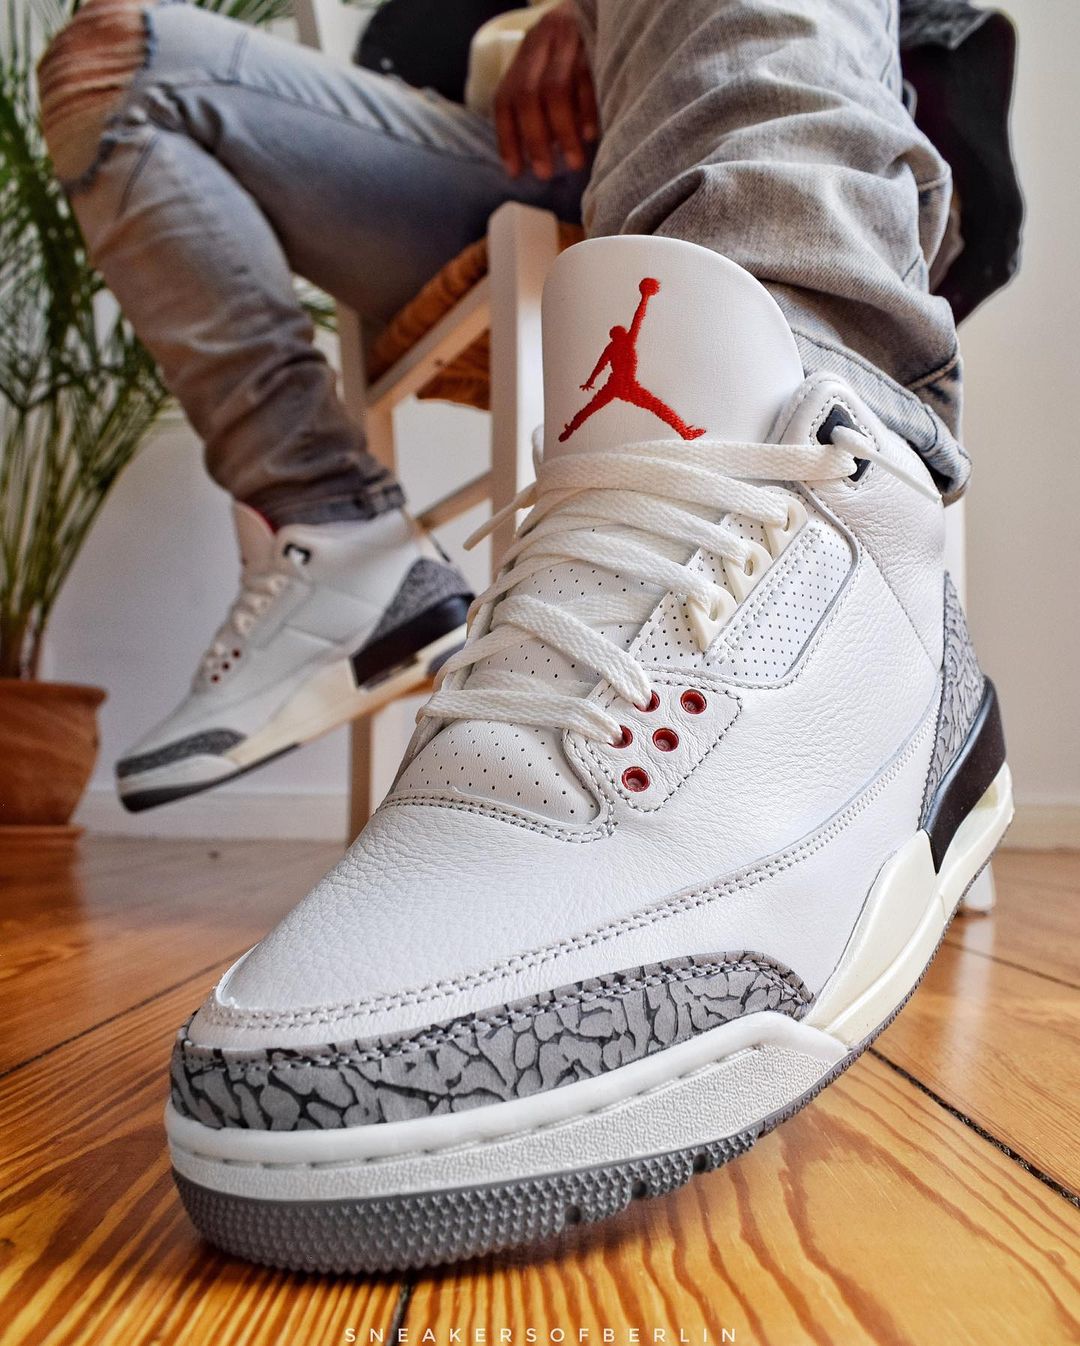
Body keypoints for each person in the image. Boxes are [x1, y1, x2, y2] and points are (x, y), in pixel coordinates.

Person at [41, 0, 1017, 1270]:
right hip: (498, 151)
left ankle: (828, 482)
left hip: (782, 99)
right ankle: (338, 528)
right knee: (110, 65)